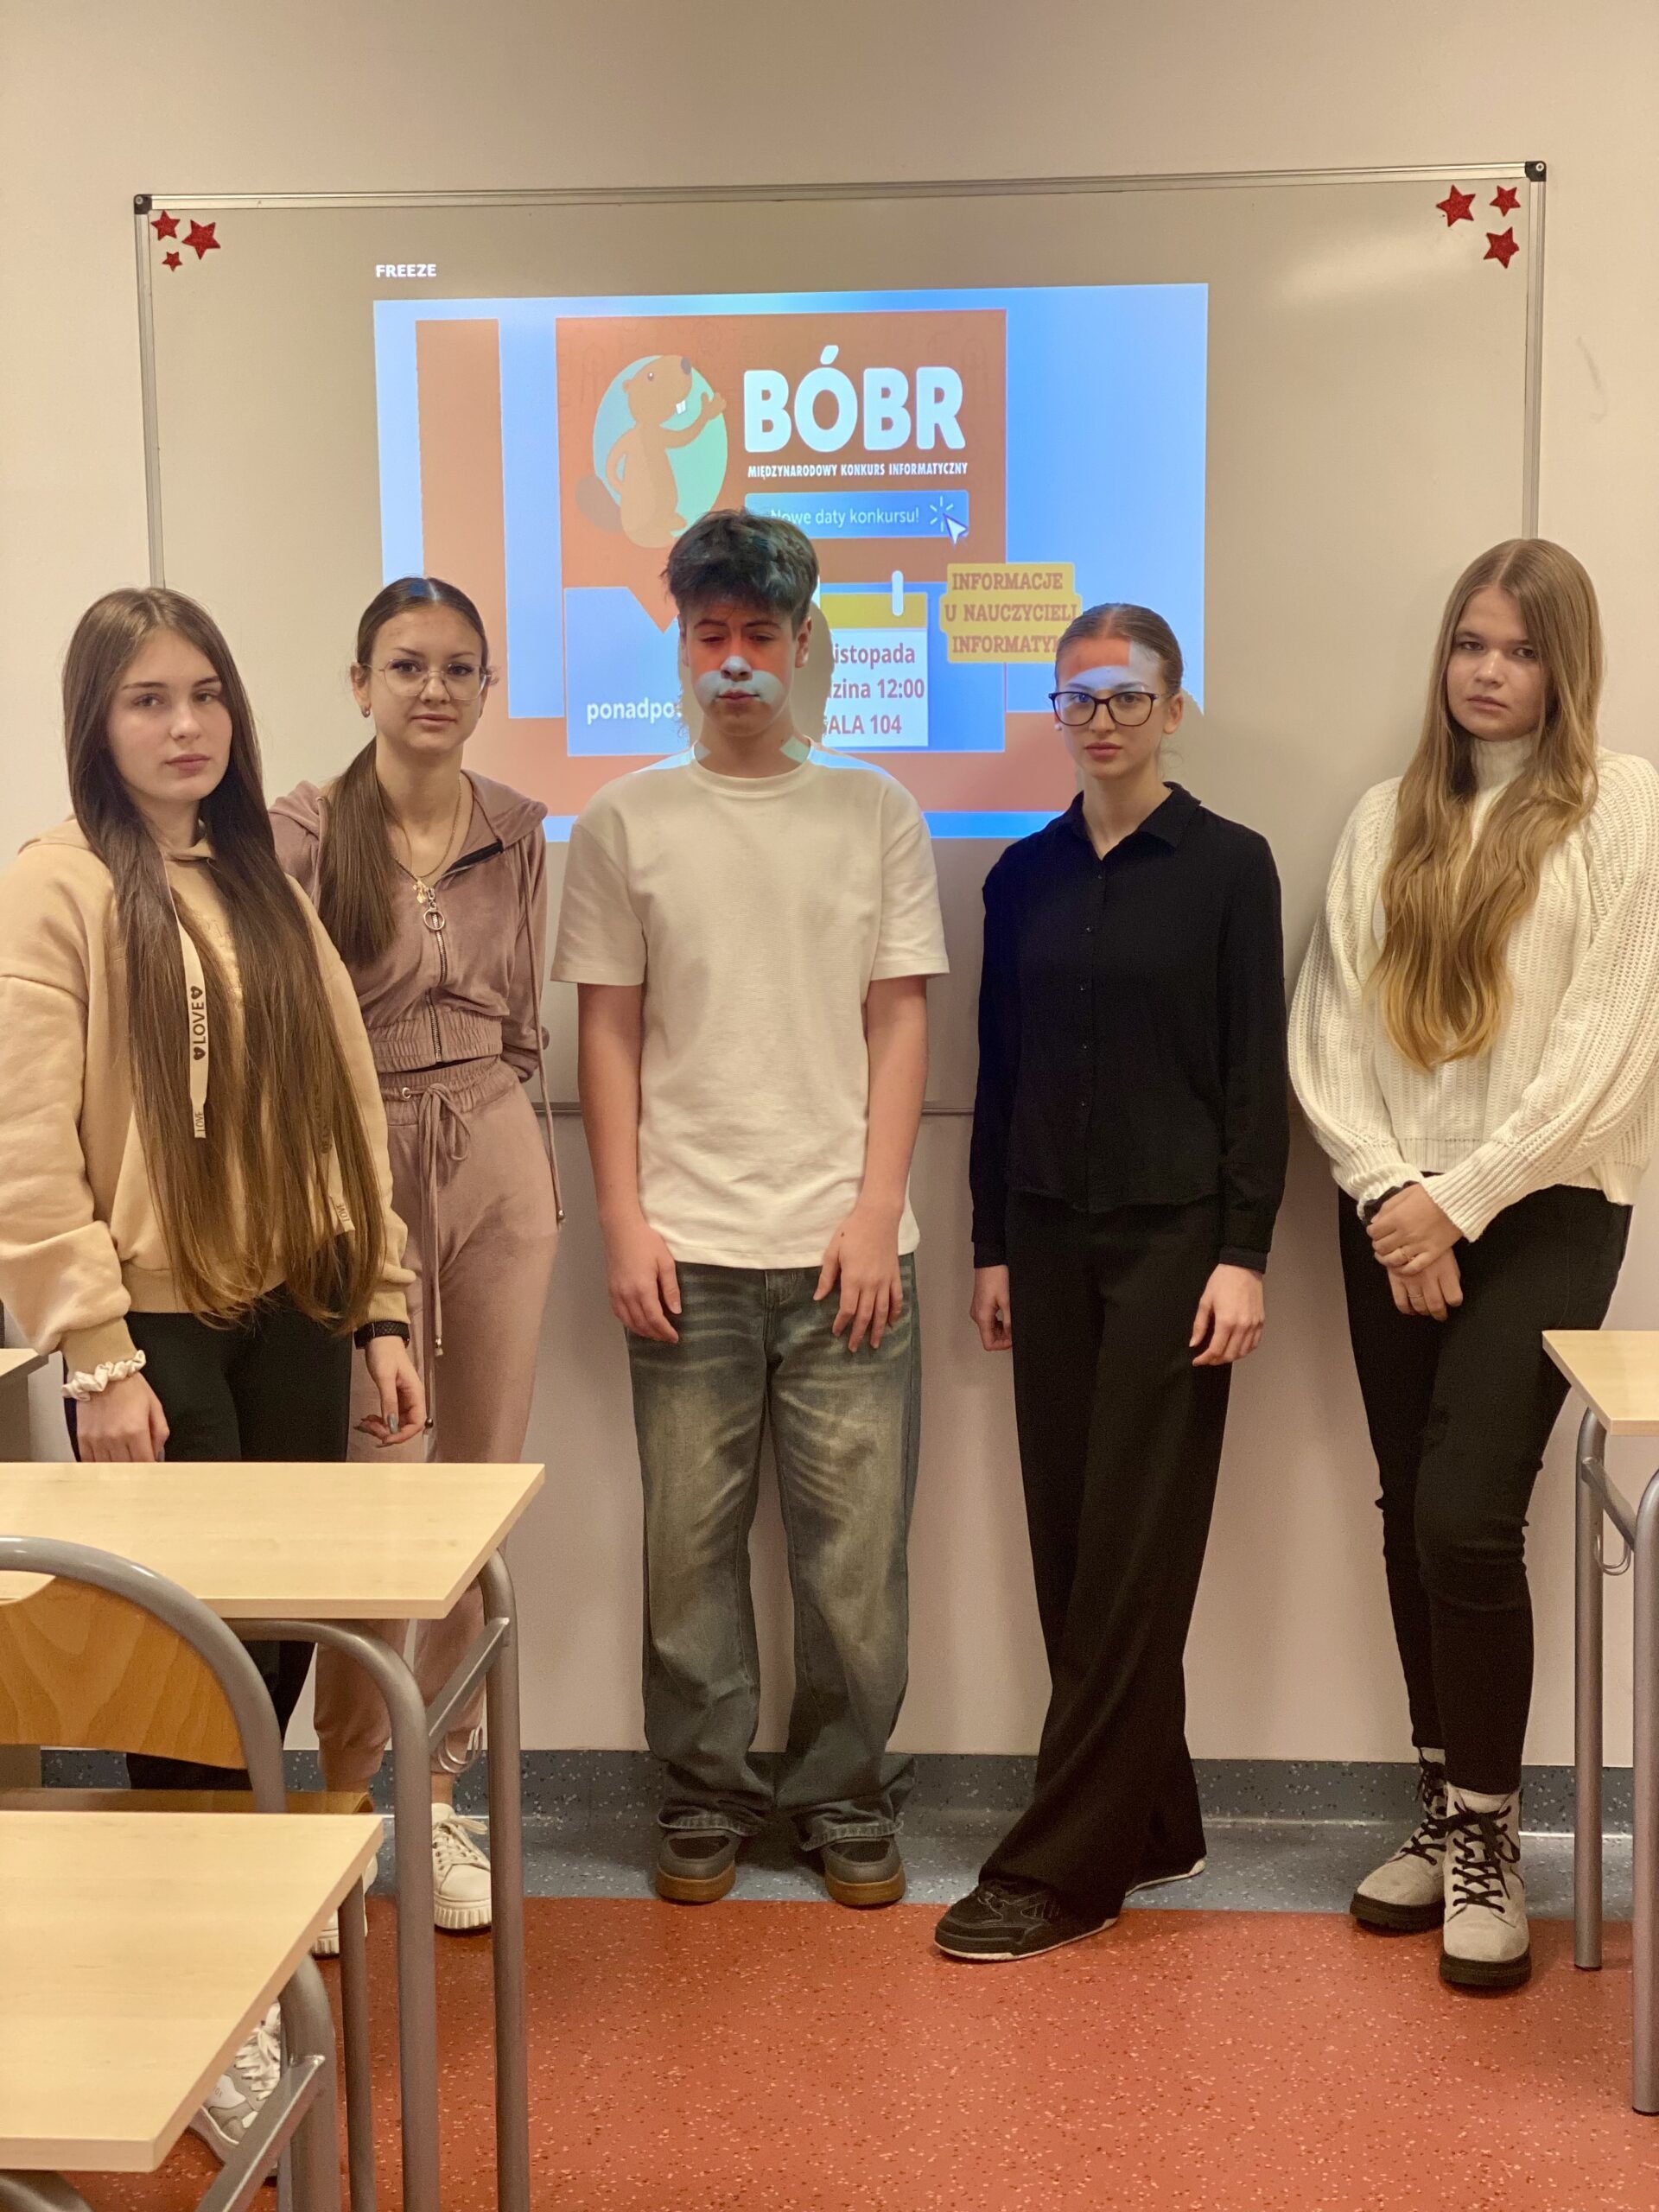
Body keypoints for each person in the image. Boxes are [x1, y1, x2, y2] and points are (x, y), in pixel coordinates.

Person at [0, 585, 422, 2158]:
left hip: (297, 1304)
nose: (187, 727)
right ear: (97, 724)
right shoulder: (53, 886)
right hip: (154, 1328)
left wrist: (380, 1308)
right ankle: (194, 2002)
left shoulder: (263, 883)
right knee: (188, 1668)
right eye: (148, 700)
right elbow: (25, 1150)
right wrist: (96, 1353)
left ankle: (230, 1951)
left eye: (206, 696)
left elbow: (347, 1113)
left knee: (278, 1649)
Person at [552, 508, 947, 1906]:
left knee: (857, 1563)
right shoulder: (626, 821)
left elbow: (900, 1020)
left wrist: (876, 1208)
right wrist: (623, 1220)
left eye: (759, 635)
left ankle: (843, 1795)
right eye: (710, 633)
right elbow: (607, 1032)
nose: (734, 660)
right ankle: (705, 1792)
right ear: (681, 644)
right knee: (686, 1552)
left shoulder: (877, 811)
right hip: (686, 1249)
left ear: (799, 645)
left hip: (850, 1254)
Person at [1290, 539, 1659, 1993]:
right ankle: (1445, 1805)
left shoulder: (1623, 807)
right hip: (1392, 1205)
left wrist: (1463, 1201)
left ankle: (1494, 1837)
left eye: (1519, 648)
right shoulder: (1386, 817)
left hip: (1549, 1206)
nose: (1489, 671)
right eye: (1469, 643)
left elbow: (1607, 1046)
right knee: (1409, 1511)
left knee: (1465, 1519)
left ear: (1566, 666)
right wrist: (1393, 1190)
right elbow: (1330, 1019)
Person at [935, 603, 1288, 1963]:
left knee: (1136, 1551)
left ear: (1173, 709)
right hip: (1045, 1241)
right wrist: (991, 1245)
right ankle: (1154, 1818)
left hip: (1176, 1252)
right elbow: (1000, 1071)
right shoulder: (1020, 877)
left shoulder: (1231, 866)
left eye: (1127, 696)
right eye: (1078, 697)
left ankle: (1061, 1868)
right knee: (1074, 1548)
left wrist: (1245, 1253)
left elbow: (1254, 1076)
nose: (1101, 720)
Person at [272, 575, 562, 1943]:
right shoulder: (301, 832)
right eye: (406, 665)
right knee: (374, 1488)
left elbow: (525, 1018)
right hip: (356, 1153)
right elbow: (286, 1039)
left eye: (458, 668)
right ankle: (342, 1799)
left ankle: (433, 1796)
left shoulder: (519, 826)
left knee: (478, 1486)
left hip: (495, 1144)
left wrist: (512, 1152)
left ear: (487, 688)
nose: (433, 689)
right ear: (360, 683)